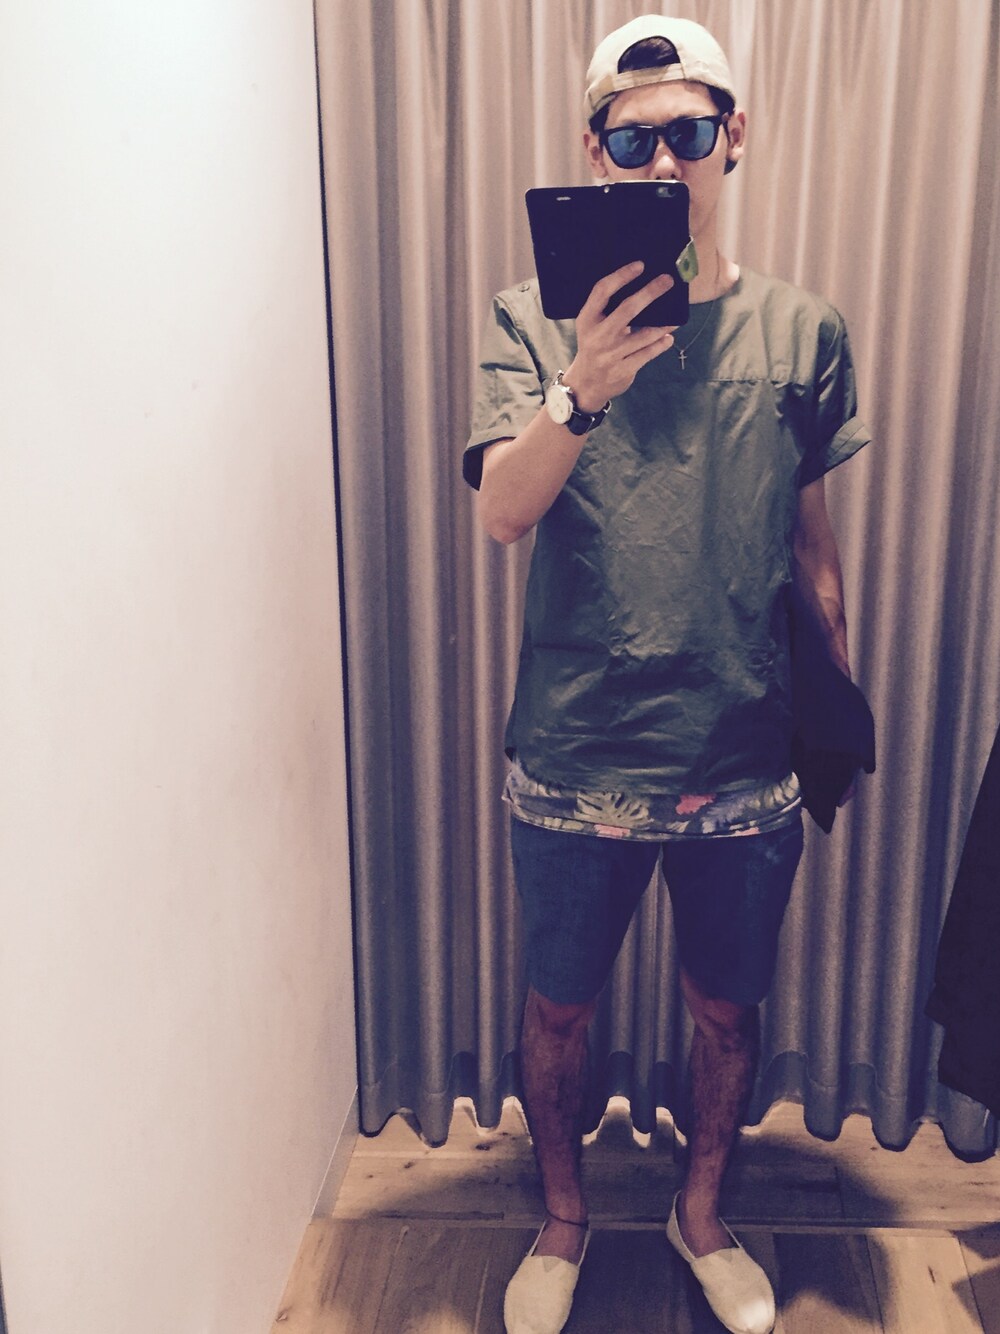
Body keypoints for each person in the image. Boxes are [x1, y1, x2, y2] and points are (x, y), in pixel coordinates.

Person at [463, 15, 870, 1334]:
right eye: (629, 141)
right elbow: (502, 513)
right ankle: (562, 1221)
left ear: (733, 136)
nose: (660, 162)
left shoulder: (803, 331)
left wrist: (833, 694)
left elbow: (812, 542)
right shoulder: (529, 321)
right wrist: (580, 387)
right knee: (558, 1011)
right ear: (594, 153)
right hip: (576, 752)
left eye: (687, 133)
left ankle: (702, 1215)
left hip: (743, 757)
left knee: (725, 1013)